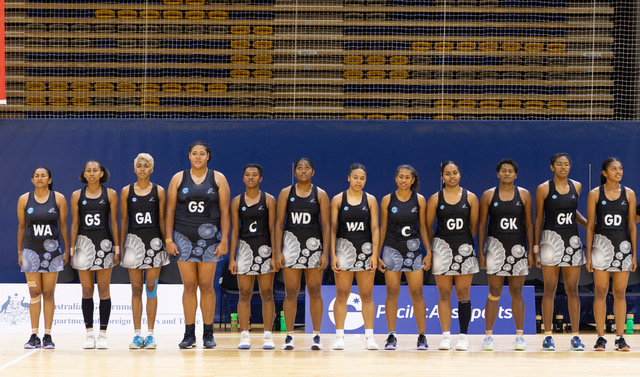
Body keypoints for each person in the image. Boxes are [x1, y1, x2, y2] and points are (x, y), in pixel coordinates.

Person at [165, 141, 230, 349]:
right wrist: (169, 239)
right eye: (195, 153)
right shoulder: (178, 178)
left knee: (207, 286)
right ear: (189, 156)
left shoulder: (218, 178)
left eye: (202, 154)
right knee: (189, 286)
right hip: (183, 238)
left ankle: (208, 334)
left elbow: (226, 212)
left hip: (210, 240)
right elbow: (170, 211)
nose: (198, 157)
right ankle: (189, 334)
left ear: (208, 156)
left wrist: (225, 239)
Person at [273, 158, 330, 350]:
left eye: (307, 168)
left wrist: (325, 253)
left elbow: (327, 225)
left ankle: (316, 335)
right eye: (300, 168)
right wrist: (277, 252)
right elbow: (279, 224)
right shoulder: (285, 193)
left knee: (315, 291)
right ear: (295, 171)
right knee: (291, 292)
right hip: (291, 248)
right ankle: (289, 336)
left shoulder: (320, 194)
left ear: (313, 172)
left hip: (314, 248)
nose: (303, 171)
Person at [477, 159, 534, 351]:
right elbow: (482, 225)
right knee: (494, 292)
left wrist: (531, 250)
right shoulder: (487, 195)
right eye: (503, 170)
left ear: (515, 175)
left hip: (517, 248)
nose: (507, 173)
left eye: (510, 171)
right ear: (498, 174)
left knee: (516, 292)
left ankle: (519, 336)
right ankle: (488, 336)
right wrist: (481, 251)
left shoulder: (524, 195)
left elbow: (528, 225)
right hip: (495, 248)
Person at [534, 153, 587, 351]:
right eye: (559, 164)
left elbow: (573, 212)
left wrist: (590, 224)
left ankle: (575, 336)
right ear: (552, 167)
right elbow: (539, 219)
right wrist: (536, 246)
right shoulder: (543, 188)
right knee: (550, 289)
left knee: (573, 290)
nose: (563, 167)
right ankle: (547, 336)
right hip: (550, 241)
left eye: (566, 164)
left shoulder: (577, 186)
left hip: (572, 241)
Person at [426, 161, 479, 351]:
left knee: (463, 293)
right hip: (442, 250)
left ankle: (463, 337)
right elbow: (427, 227)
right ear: (442, 177)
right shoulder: (435, 199)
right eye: (447, 174)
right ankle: (446, 336)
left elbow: (473, 226)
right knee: (445, 294)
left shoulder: (471, 197)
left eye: (455, 173)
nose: (452, 176)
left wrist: (463, 243)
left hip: (464, 248)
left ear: (460, 174)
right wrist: (436, 248)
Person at [378, 164, 431, 351]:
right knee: (392, 293)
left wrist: (429, 252)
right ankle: (391, 335)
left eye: (407, 177)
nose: (403, 180)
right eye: (401, 176)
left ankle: (422, 336)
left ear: (413, 180)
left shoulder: (420, 200)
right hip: (392, 250)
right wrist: (377, 254)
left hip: (414, 252)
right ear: (395, 178)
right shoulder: (387, 200)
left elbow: (424, 227)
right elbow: (382, 228)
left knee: (417, 293)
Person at [586, 157, 637, 351]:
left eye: (621, 168)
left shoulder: (629, 194)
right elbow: (590, 226)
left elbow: (632, 225)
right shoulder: (594, 194)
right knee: (600, 291)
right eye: (614, 169)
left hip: (622, 247)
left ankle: (620, 337)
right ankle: (600, 337)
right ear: (604, 173)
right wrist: (589, 254)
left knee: (619, 293)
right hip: (601, 247)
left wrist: (633, 254)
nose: (619, 171)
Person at [120, 153, 169, 349]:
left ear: (152, 169)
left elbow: (162, 219)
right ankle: (136, 334)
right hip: (133, 244)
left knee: (151, 288)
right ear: (134, 169)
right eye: (139, 165)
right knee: (136, 289)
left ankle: (150, 334)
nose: (142, 168)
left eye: (146, 165)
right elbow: (124, 220)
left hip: (154, 244)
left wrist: (166, 241)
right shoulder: (126, 191)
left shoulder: (159, 191)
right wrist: (121, 245)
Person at [330, 163, 380, 350]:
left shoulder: (371, 200)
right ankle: (339, 336)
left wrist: (375, 254)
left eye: (362, 178)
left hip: (365, 253)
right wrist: (333, 254)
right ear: (348, 178)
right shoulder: (337, 199)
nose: (359, 181)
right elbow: (332, 229)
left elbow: (375, 228)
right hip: (343, 252)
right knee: (341, 294)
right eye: (356, 177)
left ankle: (370, 337)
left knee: (366, 295)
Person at [17, 167, 69, 349]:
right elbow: (22, 227)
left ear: (49, 179)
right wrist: (19, 252)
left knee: (48, 293)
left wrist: (66, 250)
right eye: (36, 176)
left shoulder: (59, 199)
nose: (40, 178)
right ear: (32, 180)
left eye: (43, 176)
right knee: (34, 293)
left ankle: (47, 335)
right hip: (31, 252)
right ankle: (33, 335)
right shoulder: (24, 199)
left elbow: (63, 226)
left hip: (52, 254)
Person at [70, 160, 119, 349]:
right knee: (87, 290)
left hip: (104, 244)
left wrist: (117, 247)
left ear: (101, 173)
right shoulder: (76, 195)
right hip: (83, 245)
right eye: (88, 170)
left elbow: (114, 222)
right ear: (84, 174)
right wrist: (73, 249)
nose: (91, 173)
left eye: (95, 170)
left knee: (104, 290)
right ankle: (89, 334)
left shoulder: (111, 194)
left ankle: (103, 334)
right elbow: (74, 223)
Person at [229, 164, 277, 350]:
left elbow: (273, 229)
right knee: (245, 294)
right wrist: (233, 258)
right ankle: (244, 335)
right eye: (247, 175)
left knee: (266, 293)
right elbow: (234, 232)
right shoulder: (236, 201)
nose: (251, 178)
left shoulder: (269, 200)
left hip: (265, 249)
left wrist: (275, 254)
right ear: (243, 178)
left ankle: (268, 336)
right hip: (244, 250)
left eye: (254, 175)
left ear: (260, 178)